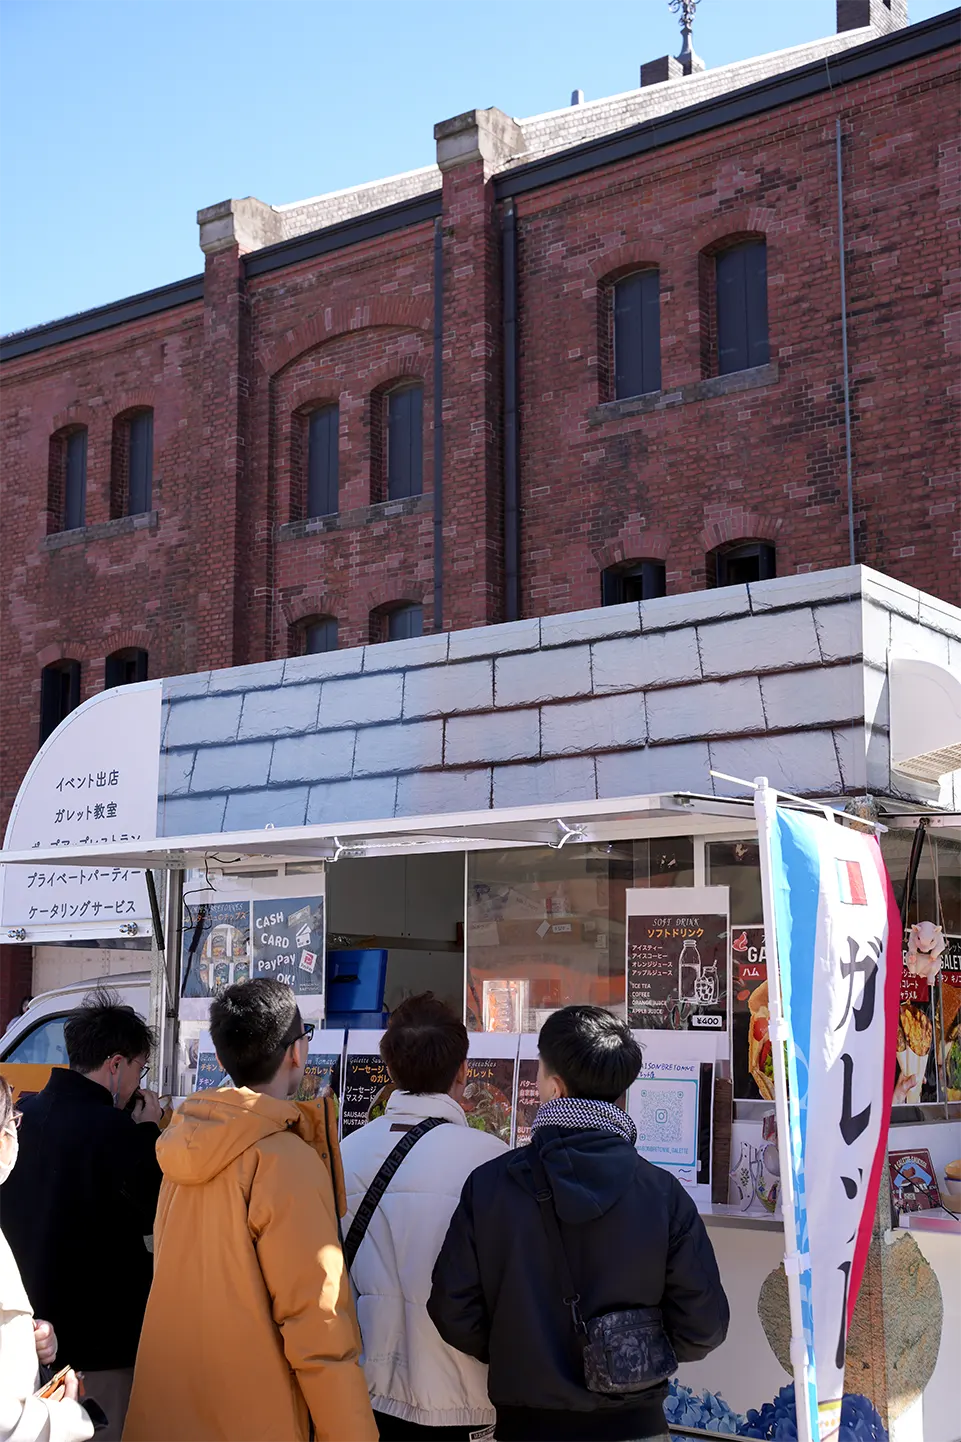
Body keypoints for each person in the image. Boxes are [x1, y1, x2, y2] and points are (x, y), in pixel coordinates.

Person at [428, 1006, 730, 1442]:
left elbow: (452, 1309)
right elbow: (705, 1327)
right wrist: (634, 1356)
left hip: (526, 1427)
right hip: (636, 1426)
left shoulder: (491, 1185)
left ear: (554, 1085)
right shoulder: (662, 1193)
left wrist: (518, 1350)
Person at [122, 979, 376, 1442]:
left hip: (168, 1411)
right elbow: (316, 1321)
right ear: (297, 1052)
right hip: (258, 1417)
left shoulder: (181, 1145)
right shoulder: (284, 1159)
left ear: (220, 1060)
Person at [341, 994, 507, 1441]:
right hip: (464, 1399)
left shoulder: (344, 1156)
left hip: (366, 1394)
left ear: (389, 1072)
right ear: (463, 1071)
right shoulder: (494, 1161)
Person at [0, 990, 162, 1442]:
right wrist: (148, 1130)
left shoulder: (21, 1117)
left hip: (28, 1344)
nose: (136, 1080)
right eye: (138, 1068)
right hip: (101, 1347)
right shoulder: (117, 1133)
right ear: (115, 1064)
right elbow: (155, 1214)